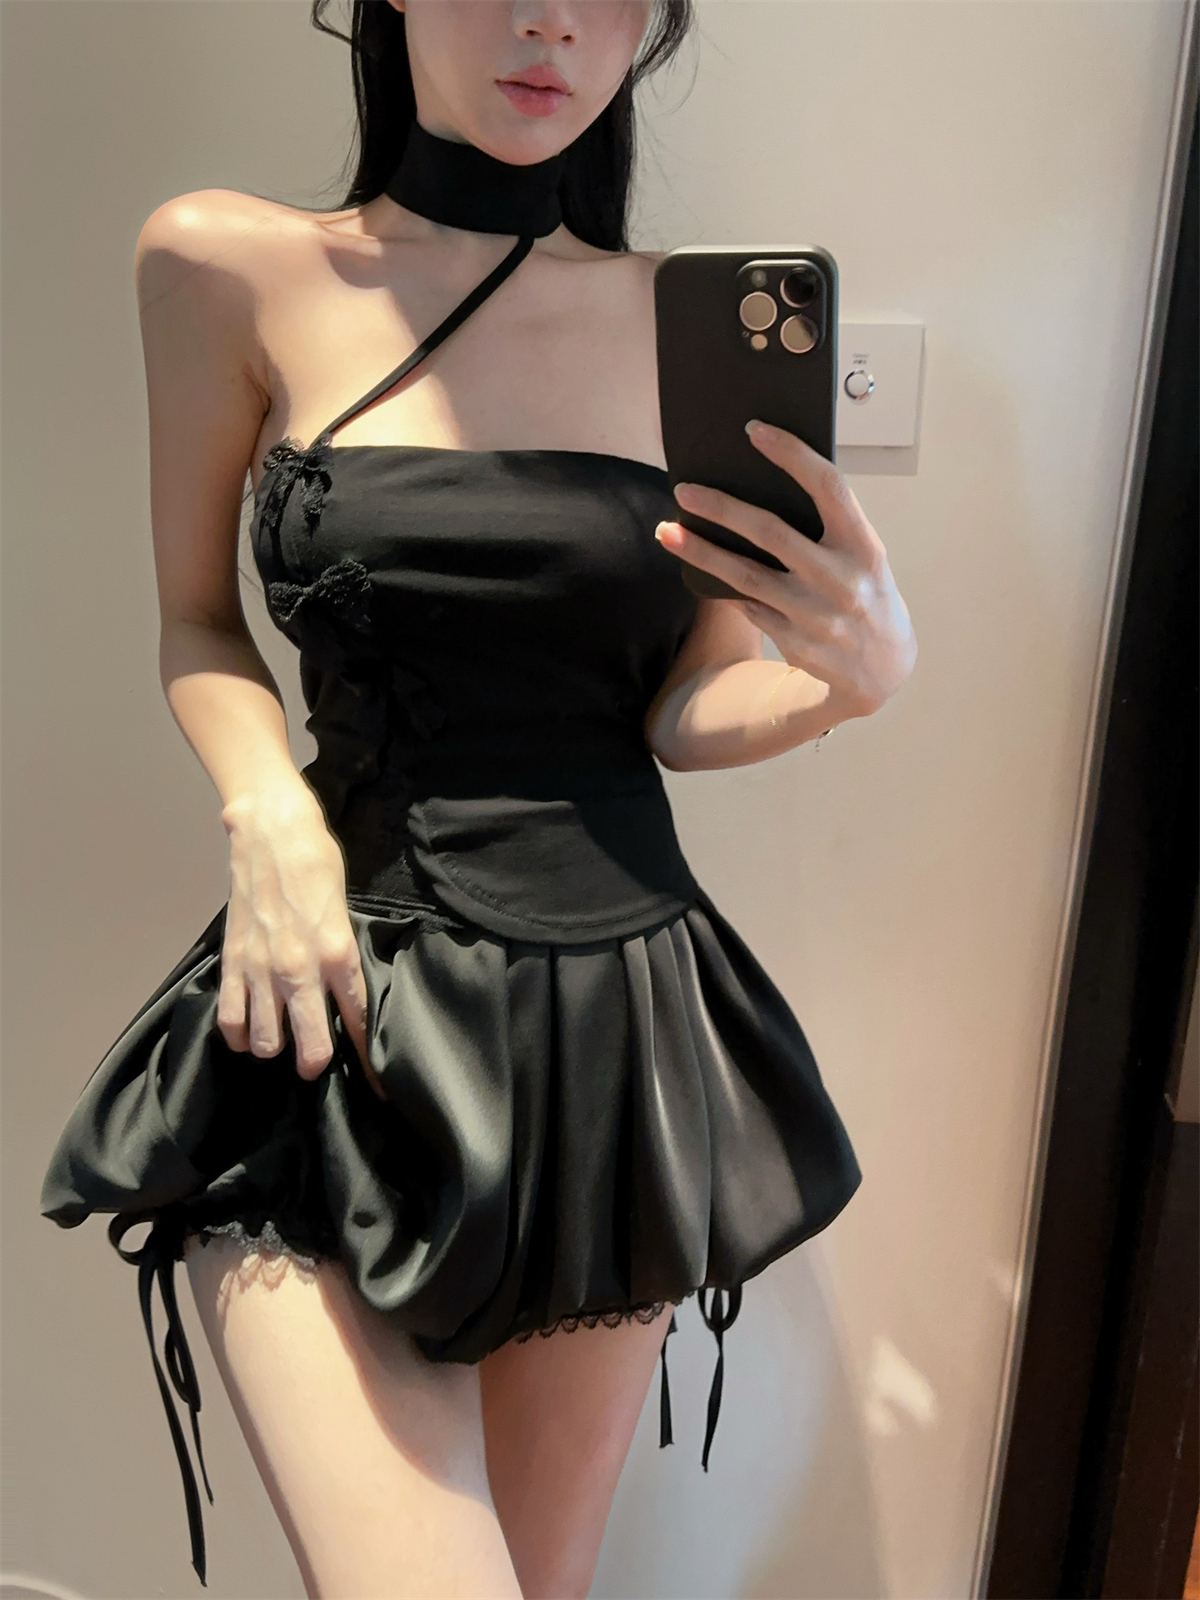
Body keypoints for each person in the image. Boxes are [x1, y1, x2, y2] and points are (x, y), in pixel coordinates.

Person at [40, 2, 917, 1595]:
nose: (547, 19)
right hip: (331, 1006)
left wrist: (846, 681)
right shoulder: (227, 262)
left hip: (609, 1041)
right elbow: (196, 621)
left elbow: (685, 707)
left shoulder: (695, 329)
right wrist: (266, 812)